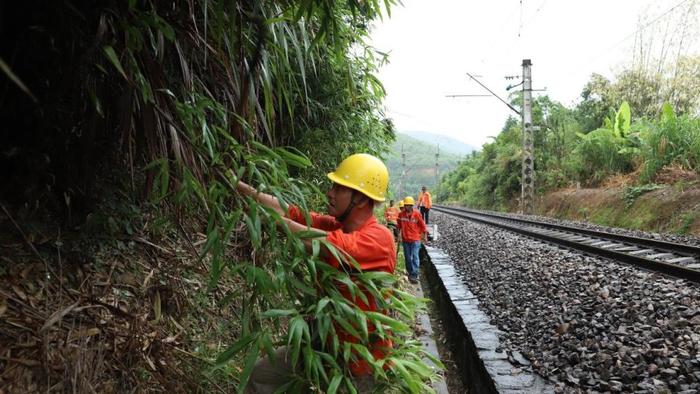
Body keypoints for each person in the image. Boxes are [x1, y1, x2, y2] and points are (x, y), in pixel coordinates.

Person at [238, 153, 396, 393]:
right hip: (322, 345)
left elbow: (326, 244)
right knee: (262, 376)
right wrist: (240, 187)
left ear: (361, 200)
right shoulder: (338, 225)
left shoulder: (379, 238)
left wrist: (274, 221)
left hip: (359, 364)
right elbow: (291, 212)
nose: (330, 193)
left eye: (339, 188)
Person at [397, 196, 426, 284]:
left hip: (415, 240)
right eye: (406, 205)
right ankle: (410, 272)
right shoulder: (401, 214)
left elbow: (422, 225)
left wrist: (424, 235)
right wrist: (399, 235)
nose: (407, 207)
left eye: (409, 205)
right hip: (406, 240)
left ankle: (414, 275)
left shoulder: (417, 214)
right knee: (408, 258)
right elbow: (399, 226)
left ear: (412, 206)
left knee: (415, 257)